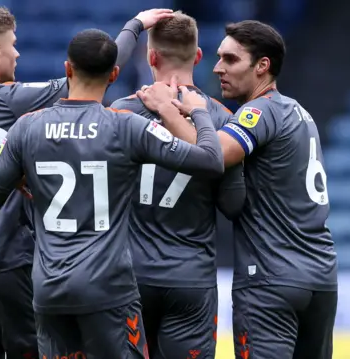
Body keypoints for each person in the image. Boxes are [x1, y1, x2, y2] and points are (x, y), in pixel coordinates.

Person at [0, 5, 173, 359]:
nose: (17, 53)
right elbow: (91, 72)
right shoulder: (13, 100)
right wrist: (134, 26)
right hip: (8, 260)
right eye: (12, 45)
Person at [0, 28, 224, 359]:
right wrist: (199, 111)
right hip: (109, 290)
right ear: (114, 74)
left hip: (50, 291)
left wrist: (21, 179)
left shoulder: (27, 127)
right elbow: (211, 160)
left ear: (67, 69)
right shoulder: (125, 125)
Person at [138, 20, 337, 359]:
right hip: (320, 277)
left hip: (271, 279)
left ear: (262, 67)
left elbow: (212, 155)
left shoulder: (258, 111)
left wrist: (168, 110)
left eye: (230, 60)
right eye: (218, 58)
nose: (217, 68)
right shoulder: (299, 113)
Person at [110, 12, 245, 359]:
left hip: (129, 277)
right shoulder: (221, 121)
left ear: (150, 57)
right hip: (190, 278)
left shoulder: (121, 113)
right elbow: (233, 206)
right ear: (198, 56)